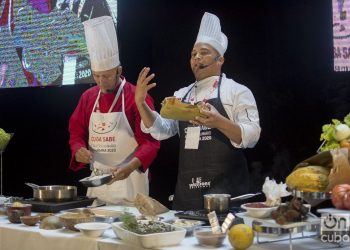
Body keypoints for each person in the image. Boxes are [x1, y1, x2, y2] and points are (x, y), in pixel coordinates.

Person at [135, 12, 261, 211]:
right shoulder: (182, 95)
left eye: (204, 53)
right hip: (188, 195)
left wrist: (218, 121)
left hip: (226, 195)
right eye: (193, 54)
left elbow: (252, 135)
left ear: (220, 60)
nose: (197, 58)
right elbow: (162, 129)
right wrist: (141, 104)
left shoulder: (236, 91)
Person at [68, 16, 160, 206]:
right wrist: (78, 150)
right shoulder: (88, 97)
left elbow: (150, 142)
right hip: (97, 186)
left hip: (131, 182)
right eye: (97, 76)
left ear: (119, 70)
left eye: (107, 76)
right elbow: (76, 133)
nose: (101, 82)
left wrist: (130, 166)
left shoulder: (136, 97)